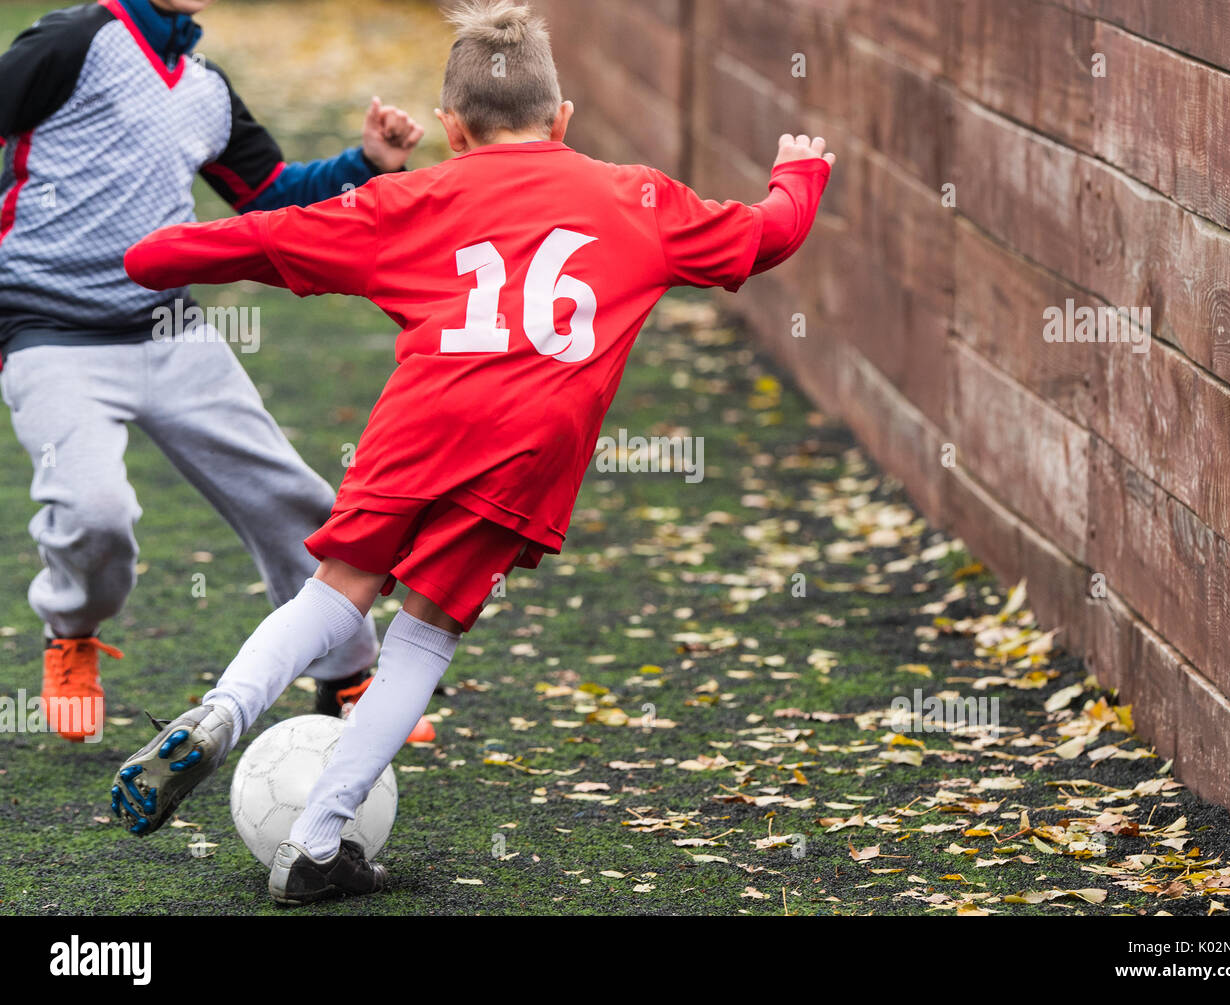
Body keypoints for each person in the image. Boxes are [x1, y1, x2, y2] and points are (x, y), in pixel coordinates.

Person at [112, 0, 834, 905]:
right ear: (562, 119)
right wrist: (798, 175)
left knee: (337, 590)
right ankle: (317, 838)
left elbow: (268, 238)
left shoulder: (410, 197)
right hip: (529, 448)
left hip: (419, 423)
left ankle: (222, 711)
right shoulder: (640, 198)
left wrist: (155, 255)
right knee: (424, 633)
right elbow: (766, 236)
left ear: (452, 131)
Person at [0, 0, 431, 743]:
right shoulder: (72, 41)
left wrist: (366, 165)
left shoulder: (204, 88)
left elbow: (272, 197)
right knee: (93, 510)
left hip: (170, 328)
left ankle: (345, 674)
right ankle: (71, 631)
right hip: (49, 331)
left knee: (295, 502)